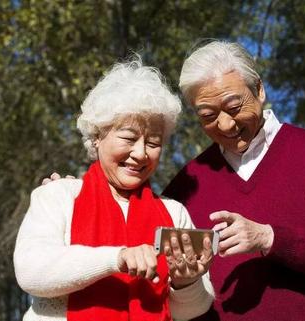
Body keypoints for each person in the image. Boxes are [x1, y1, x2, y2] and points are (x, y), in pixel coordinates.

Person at [161, 40, 305, 320]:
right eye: (208, 116)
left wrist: (269, 237)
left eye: (234, 107)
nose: (225, 125)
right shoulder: (186, 183)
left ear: (259, 90)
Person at [14, 59, 215, 321]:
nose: (141, 153)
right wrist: (117, 258)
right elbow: (31, 271)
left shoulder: (174, 212)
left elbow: (193, 310)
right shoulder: (59, 196)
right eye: (129, 139)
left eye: (153, 142)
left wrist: (186, 282)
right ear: (97, 137)